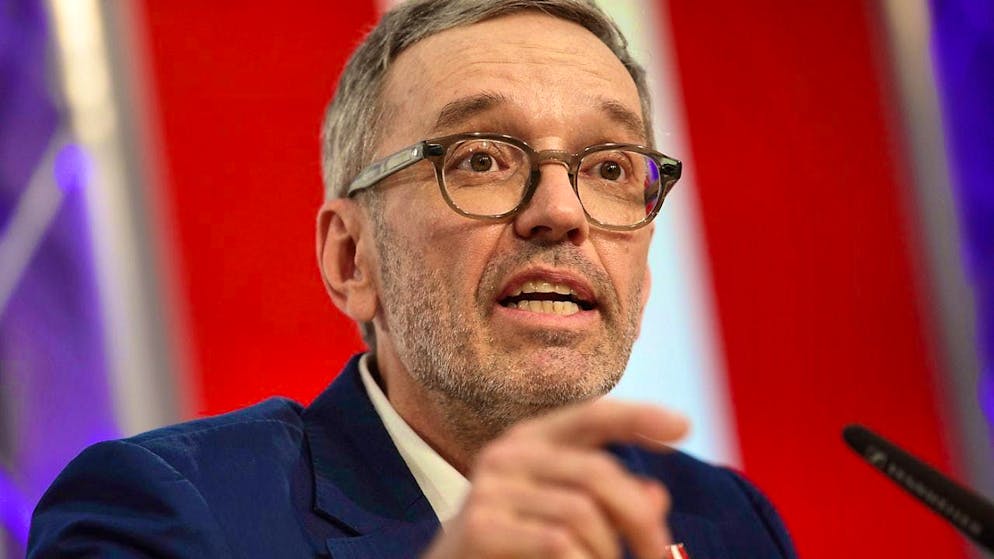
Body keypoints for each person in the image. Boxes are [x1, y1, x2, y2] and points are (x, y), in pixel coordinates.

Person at [28, 1, 798, 557]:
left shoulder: (723, 520)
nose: (562, 211)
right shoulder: (166, 515)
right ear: (350, 260)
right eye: (481, 159)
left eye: (608, 167)